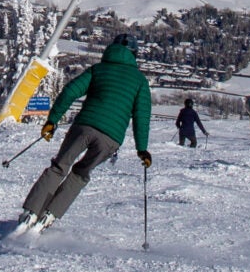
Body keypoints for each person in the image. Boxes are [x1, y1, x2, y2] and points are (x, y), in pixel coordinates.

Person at [18, 35, 154, 232]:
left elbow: (70, 91)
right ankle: (48, 216)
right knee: (80, 174)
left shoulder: (98, 70)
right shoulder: (140, 81)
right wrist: (142, 149)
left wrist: (52, 121)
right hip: (110, 138)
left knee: (59, 167)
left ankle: (30, 213)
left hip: (84, 126)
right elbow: (142, 117)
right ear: (135, 55)